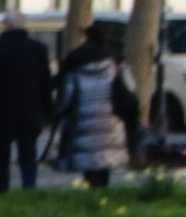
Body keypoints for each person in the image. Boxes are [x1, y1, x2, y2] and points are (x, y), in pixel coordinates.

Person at [0, 10, 53, 192]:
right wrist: (47, 109)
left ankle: (1, 191)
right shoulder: (37, 49)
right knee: (28, 154)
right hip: (30, 111)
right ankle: (29, 188)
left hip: (1, 111)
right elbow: (45, 82)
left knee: (1, 157)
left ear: (7, 25)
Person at [55, 28, 136, 188]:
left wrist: (57, 112)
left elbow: (66, 94)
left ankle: (90, 186)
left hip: (82, 117)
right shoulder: (115, 61)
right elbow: (130, 86)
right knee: (105, 156)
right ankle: (103, 187)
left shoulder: (74, 59)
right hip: (110, 116)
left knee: (88, 157)